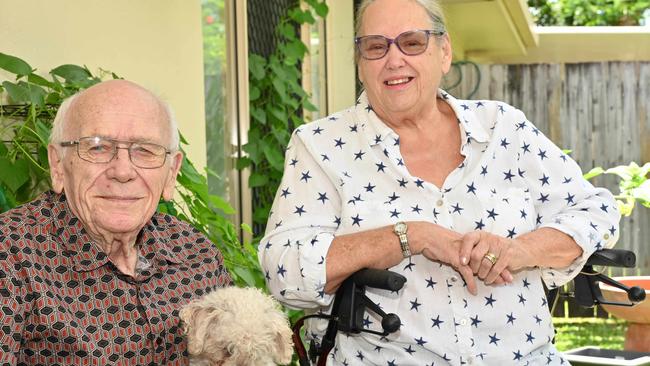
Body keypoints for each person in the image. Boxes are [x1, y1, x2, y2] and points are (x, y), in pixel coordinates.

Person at [259, 0, 621, 364]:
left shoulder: (502, 128)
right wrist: (410, 236)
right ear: (360, 62)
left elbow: (596, 210)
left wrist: (519, 251)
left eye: (412, 42)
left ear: (444, 51)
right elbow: (284, 270)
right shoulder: (320, 146)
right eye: (375, 46)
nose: (394, 59)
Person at [0, 80, 231, 365]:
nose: (122, 171)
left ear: (171, 173)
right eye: (97, 147)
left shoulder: (198, 255)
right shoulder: (9, 255)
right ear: (58, 165)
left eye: (145, 150)